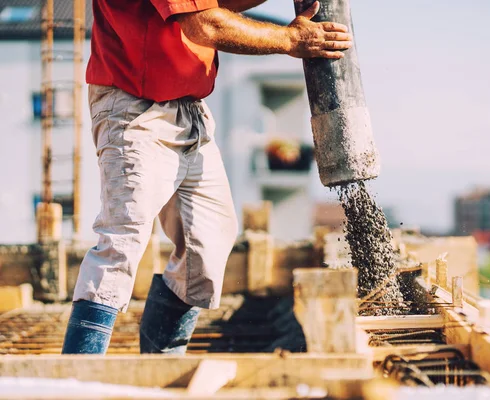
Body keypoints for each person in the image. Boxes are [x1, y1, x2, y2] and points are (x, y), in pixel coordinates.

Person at [61, 0, 352, 354]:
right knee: (122, 239)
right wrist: (290, 40)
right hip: (133, 107)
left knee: (209, 240)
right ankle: (76, 376)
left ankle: (161, 369)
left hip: (188, 108)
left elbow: (215, 3)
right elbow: (206, 25)